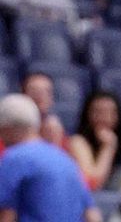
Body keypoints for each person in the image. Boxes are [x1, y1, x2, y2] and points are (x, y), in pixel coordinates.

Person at [0, 93, 88, 222]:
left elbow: (6, 214)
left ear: (7, 128)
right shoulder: (66, 159)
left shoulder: (13, 158)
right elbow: (92, 214)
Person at [68, 90, 121, 190]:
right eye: (98, 112)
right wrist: (108, 147)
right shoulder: (78, 142)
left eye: (110, 112)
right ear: (88, 114)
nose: (104, 117)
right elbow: (93, 183)